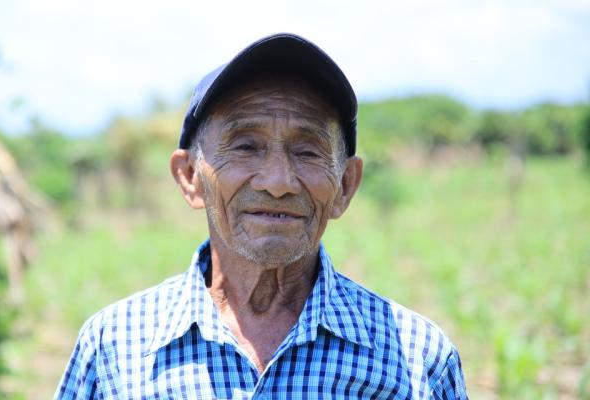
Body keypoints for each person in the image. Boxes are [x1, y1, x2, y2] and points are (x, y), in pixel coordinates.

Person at [54, 33, 468, 399]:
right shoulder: (115, 347)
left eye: (307, 151)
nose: (278, 181)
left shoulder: (418, 359)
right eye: (245, 146)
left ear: (344, 185)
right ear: (190, 178)